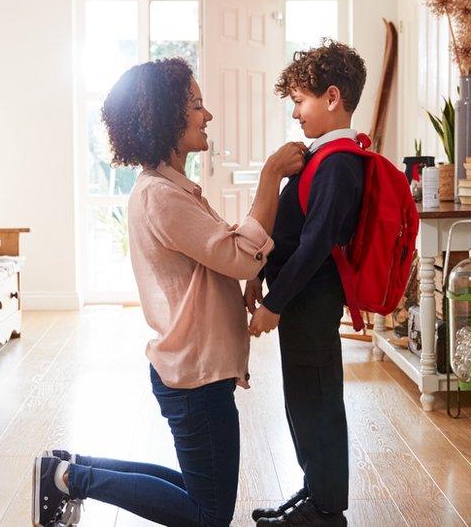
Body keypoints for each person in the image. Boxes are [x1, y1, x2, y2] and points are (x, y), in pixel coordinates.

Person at [31, 57, 306, 527]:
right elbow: (238, 255)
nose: (208, 115)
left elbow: (224, 256)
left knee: (197, 490)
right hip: (194, 376)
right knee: (208, 514)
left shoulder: (169, 189)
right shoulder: (162, 196)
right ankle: (69, 479)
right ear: (165, 117)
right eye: (197, 105)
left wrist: (250, 273)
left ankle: (64, 470)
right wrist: (269, 177)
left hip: (193, 369)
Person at [245, 40, 368, 526]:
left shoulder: (338, 162)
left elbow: (315, 245)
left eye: (300, 100)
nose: (295, 112)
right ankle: (315, 492)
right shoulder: (323, 156)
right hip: (302, 301)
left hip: (311, 302)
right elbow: (292, 227)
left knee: (317, 401)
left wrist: (274, 303)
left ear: (332, 97)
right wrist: (259, 274)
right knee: (303, 398)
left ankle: (326, 509)